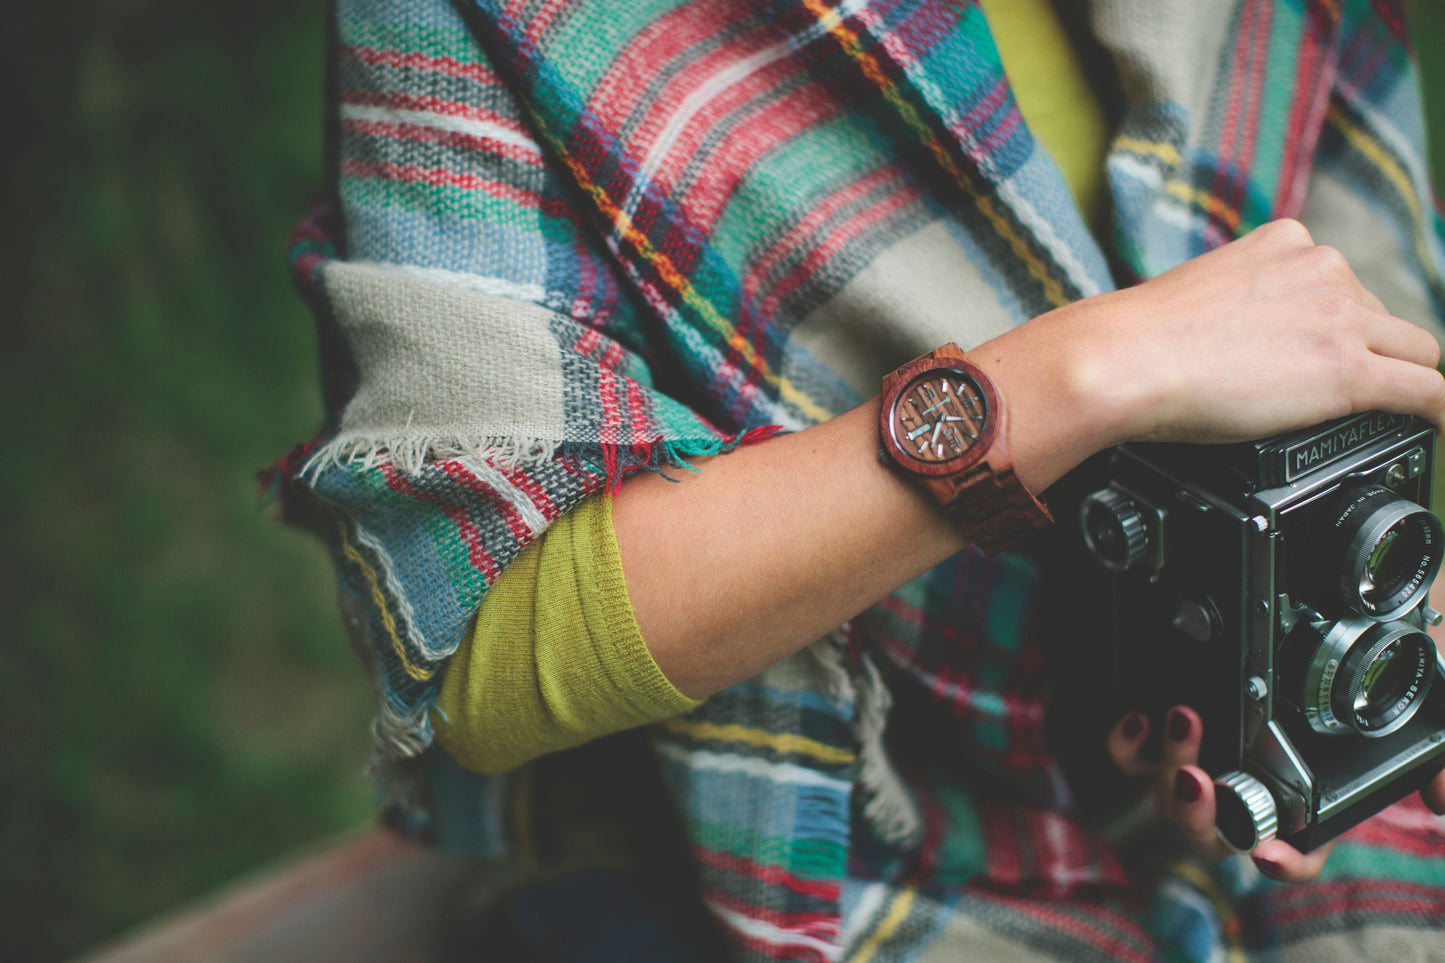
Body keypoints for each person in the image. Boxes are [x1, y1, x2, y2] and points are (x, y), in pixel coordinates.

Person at [278, 0, 1445, 957]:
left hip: (1276, 759)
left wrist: (1372, 630)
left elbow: (1376, 328)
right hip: (804, 831)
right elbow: (494, 640)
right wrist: (1090, 372)